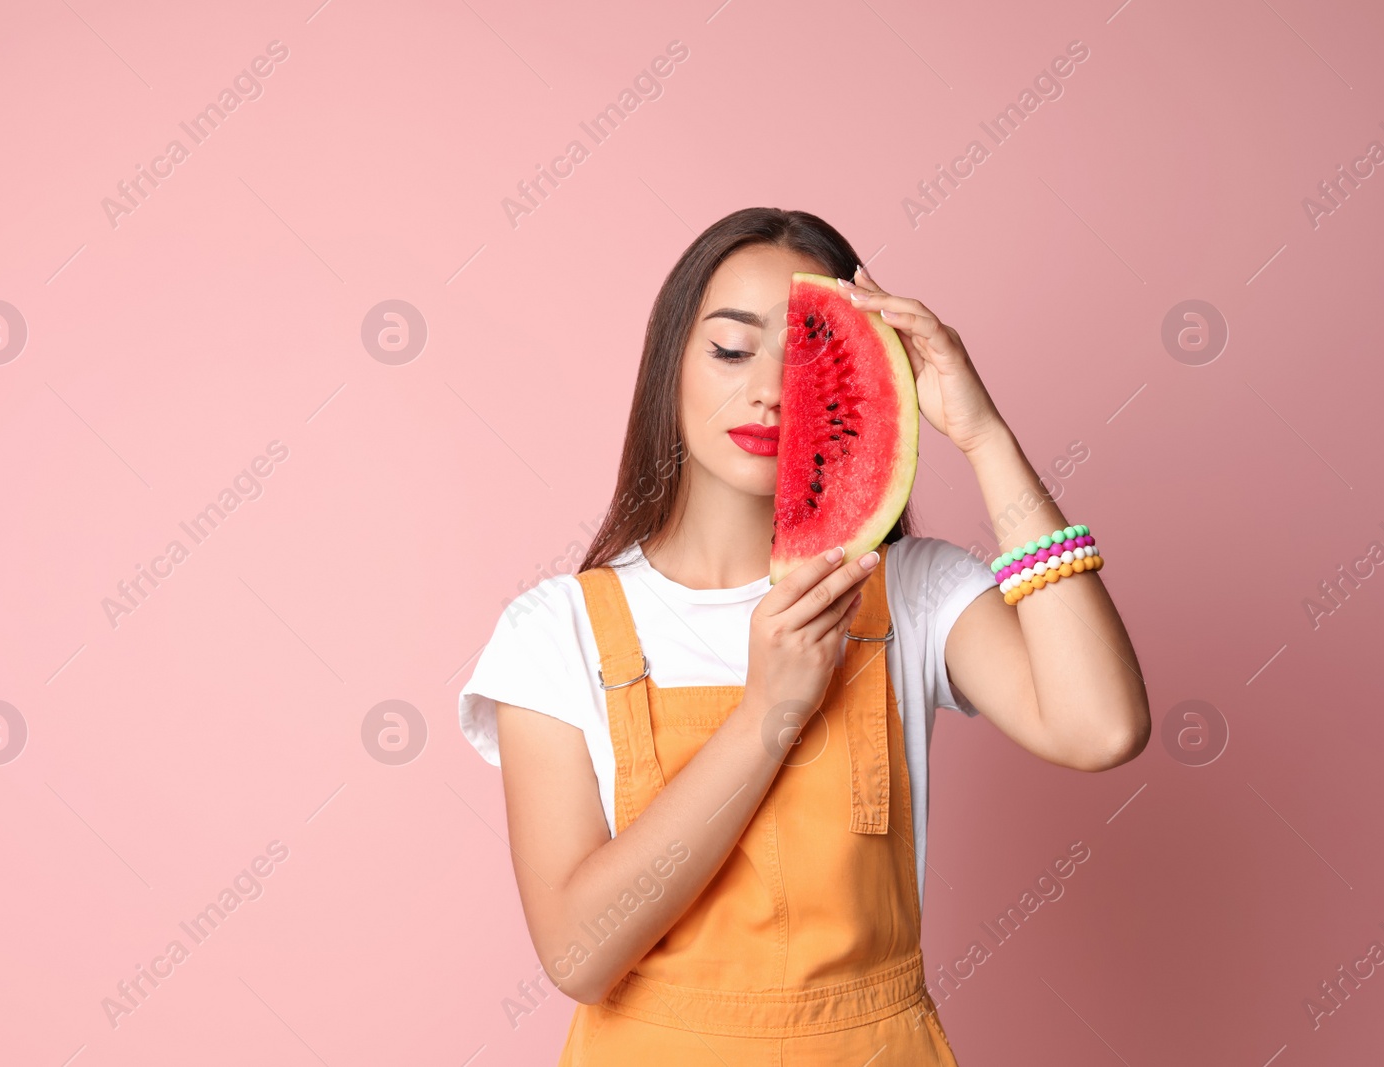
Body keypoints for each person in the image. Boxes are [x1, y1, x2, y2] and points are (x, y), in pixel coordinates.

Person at [457, 207, 1150, 1065]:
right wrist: (767, 713)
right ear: (668, 364)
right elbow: (577, 954)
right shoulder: (554, 631)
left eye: (813, 360)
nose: (771, 391)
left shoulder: (915, 591)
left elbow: (1103, 727)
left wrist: (983, 435)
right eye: (731, 349)